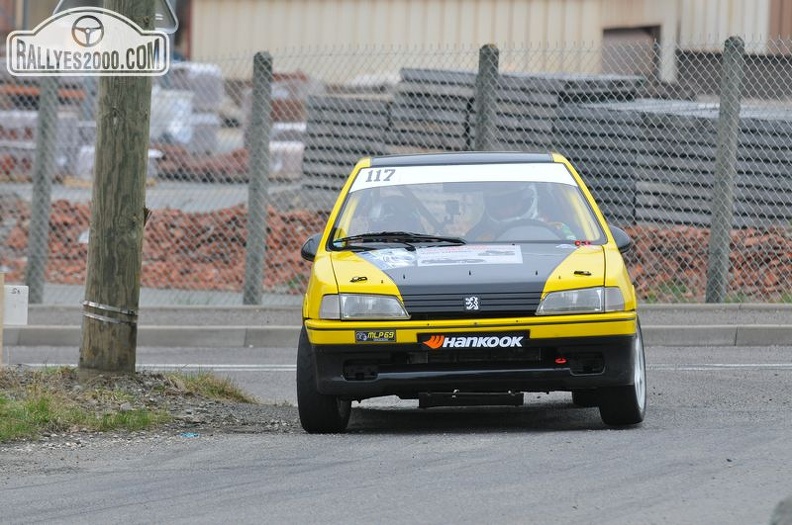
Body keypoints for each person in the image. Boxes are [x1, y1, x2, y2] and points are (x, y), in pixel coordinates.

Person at [466, 182, 575, 241]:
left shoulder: (557, 228)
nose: (507, 208)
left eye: (512, 201)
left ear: (527, 199)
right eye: (499, 203)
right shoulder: (481, 237)